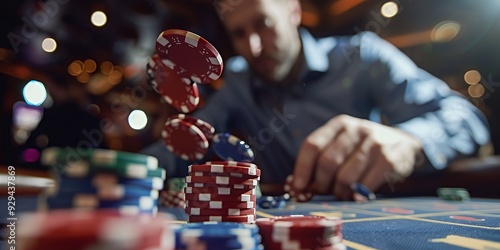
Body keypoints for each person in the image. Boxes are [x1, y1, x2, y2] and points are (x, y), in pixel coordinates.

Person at [142, 0, 490, 200]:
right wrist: (117, 168)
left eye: (263, 24)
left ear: (293, 12)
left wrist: (411, 143)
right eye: (239, 33)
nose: (253, 47)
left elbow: (467, 120)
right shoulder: (237, 79)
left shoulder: (362, 56)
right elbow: (182, 144)